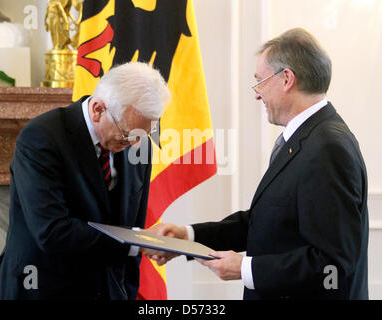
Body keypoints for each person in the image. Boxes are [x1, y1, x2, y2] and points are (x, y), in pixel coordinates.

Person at [147, 28, 369, 300]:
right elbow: (264, 222)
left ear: (286, 78)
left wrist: (246, 268)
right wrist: (189, 237)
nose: (257, 94)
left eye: (260, 82)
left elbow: (333, 265)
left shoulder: (327, 148)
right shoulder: (307, 138)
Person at [0, 62, 171, 300]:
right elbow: (52, 233)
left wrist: (127, 292)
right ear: (97, 109)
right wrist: (137, 241)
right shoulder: (41, 138)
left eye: (142, 135)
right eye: (127, 134)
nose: (135, 144)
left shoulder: (139, 144)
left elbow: (131, 228)